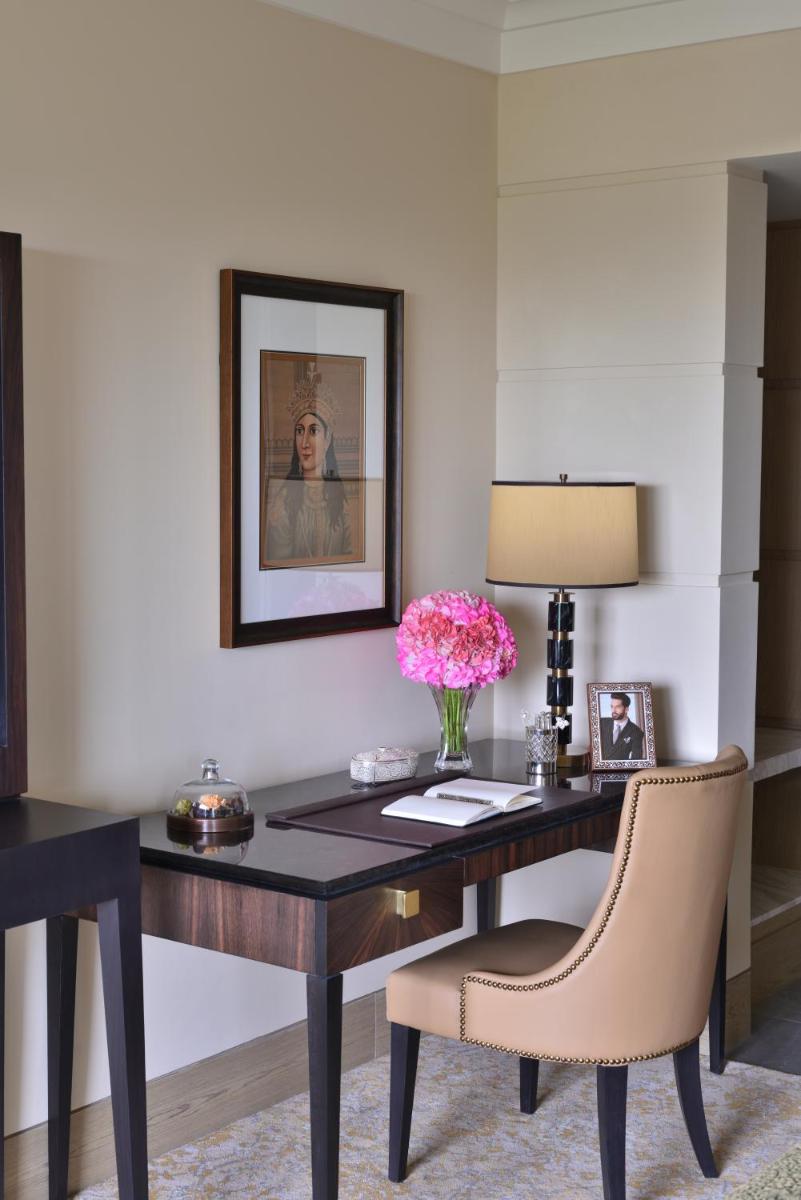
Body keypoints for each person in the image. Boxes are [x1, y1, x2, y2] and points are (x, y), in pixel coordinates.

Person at [263, 366, 353, 563]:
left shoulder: (341, 502)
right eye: (299, 431)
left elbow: (352, 556)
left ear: (328, 439)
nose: (304, 443)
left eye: (313, 431)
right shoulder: (283, 504)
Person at [599, 691, 645, 761]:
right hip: (597, 769)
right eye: (612, 706)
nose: (613, 710)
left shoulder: (636, 732)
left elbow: (636, 760)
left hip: (620, 770)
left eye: (617, 707)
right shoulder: (601, 723)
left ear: (626, 709)